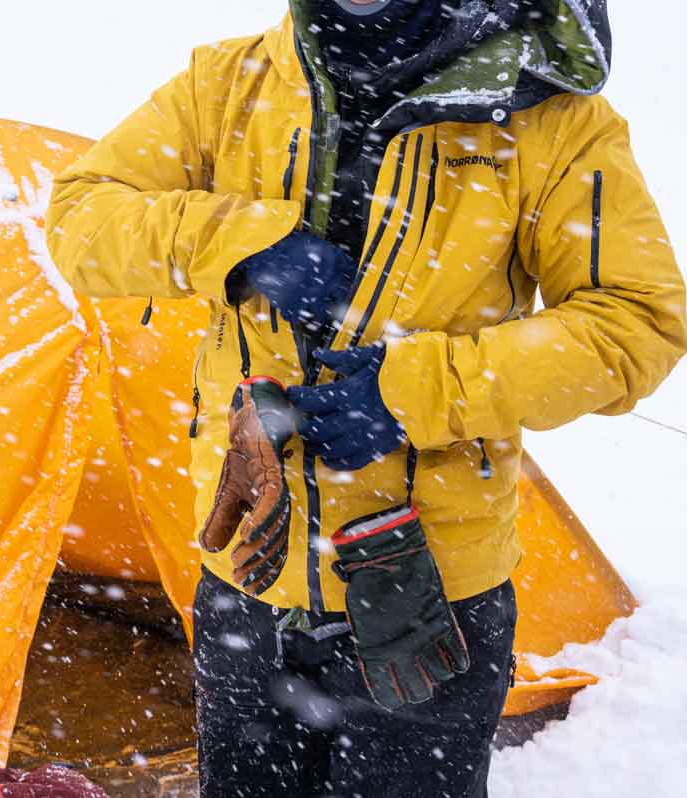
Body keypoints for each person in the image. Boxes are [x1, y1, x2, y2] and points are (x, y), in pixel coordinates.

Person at [46, 0, 687, 795]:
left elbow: (636, 326)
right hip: (249, 579)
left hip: (429, 600)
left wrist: (412, 394)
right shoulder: (230, 83)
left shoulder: (547, 118)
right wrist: (246, 246)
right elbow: (80, 216)